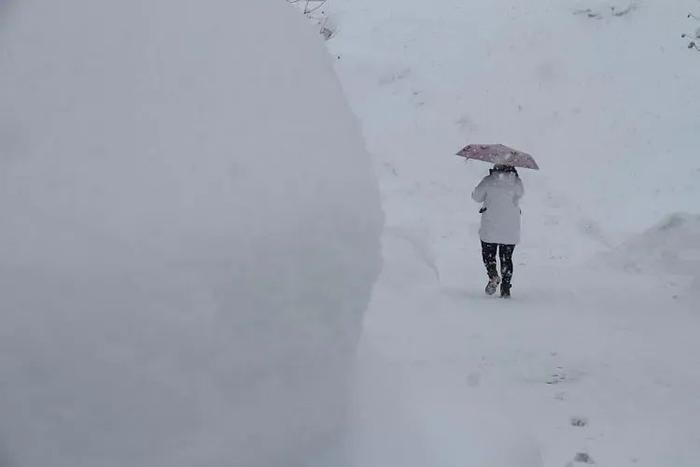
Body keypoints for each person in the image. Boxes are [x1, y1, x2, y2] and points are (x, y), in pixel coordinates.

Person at [471, 164, 524, 298]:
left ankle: (493, 274)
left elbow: (476, 197)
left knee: (488, 254)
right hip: (510, 228)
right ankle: (505, 289)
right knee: (507, 258)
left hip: (491, 226)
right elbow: (521, 194)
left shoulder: (489, 180)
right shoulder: (517, 182)